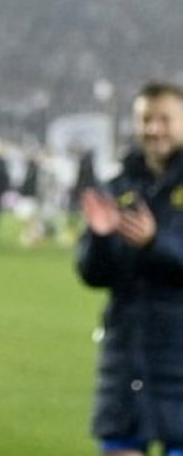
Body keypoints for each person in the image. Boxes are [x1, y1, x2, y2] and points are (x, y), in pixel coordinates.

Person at [76, 82, 183, 456]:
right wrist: (100, 238)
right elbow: (91, 274)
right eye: (146, 119)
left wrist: (155, 244)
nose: (153, 129)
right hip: (126, 361)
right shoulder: (117, 187)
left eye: (164, 119)